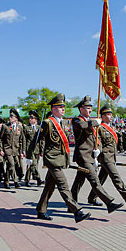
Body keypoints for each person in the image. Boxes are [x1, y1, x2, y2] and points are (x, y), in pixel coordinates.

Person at [35, 94, 87, 225]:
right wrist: (31, 156)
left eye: (63, 106)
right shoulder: (47, 123)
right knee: (63, 185)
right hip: (51, 159)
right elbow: (36, 140)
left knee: (49, 186)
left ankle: (41, 210)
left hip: (60, 159)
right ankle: (77, 211)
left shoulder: (63, 122)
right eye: (59, 107)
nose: (63, 109)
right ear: (53, 109)